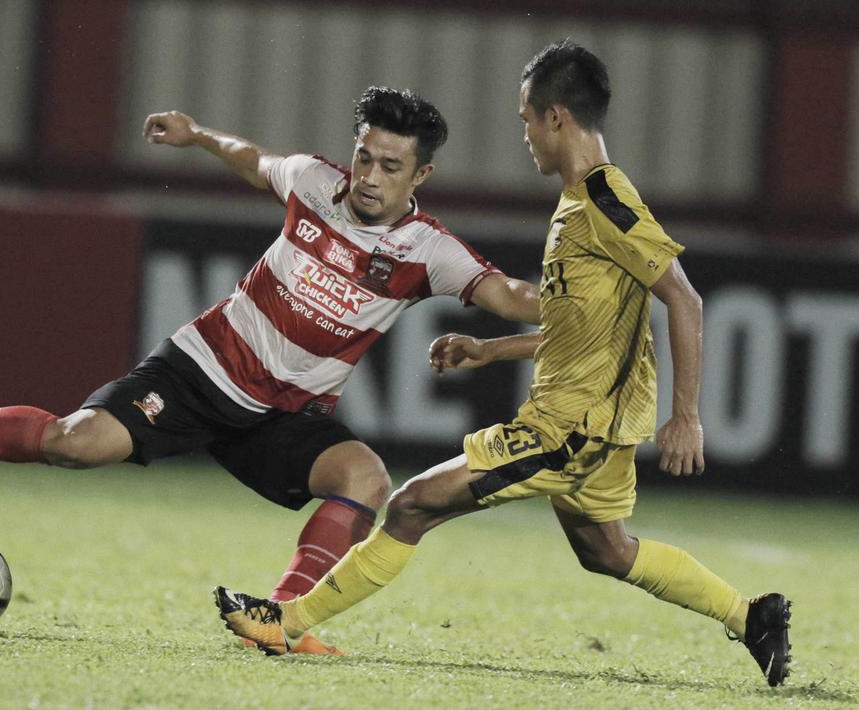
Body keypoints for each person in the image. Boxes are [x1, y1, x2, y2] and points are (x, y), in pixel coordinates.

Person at [0, 87, 542, 655]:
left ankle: (278, 621)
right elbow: (253, 157)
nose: (370, 177)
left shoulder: (428, 249)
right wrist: (197, 137)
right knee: (73, 442)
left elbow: (509, 295)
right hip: (200, 371)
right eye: (364, 157)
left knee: (365, 478)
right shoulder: (314, 184)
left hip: (284, 416)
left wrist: (582, 296)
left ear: (422, 174)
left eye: (390, 166)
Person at [216, 41, 792, 685]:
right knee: (607, 551)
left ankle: (286, 622)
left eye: (525, 120)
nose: (524, 135)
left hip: (570, 427)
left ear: (554, 118)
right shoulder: (579, 203)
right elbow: (587, 326)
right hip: (596, 422)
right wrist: (492, 349)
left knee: (410, 506)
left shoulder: (604, 202)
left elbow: (683, 298)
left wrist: (687, 416)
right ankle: (753, 616)